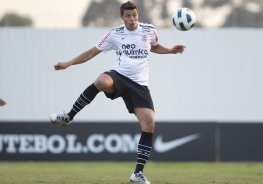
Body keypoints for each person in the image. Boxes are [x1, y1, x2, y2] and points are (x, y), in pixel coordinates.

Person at [49, 1, 185, 184]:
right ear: (122, 17)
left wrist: (170, 51)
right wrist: (68, 63)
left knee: (149, 124)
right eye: (128, 16)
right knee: (101, 81)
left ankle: (137, 174)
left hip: (139, 85)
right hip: (119, 76)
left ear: (138, 15)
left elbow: (153, 47)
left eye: (134, 15)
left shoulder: (149, 30)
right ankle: (69, 116)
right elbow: (91, 52)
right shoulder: (115, 34)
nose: (132, 19)